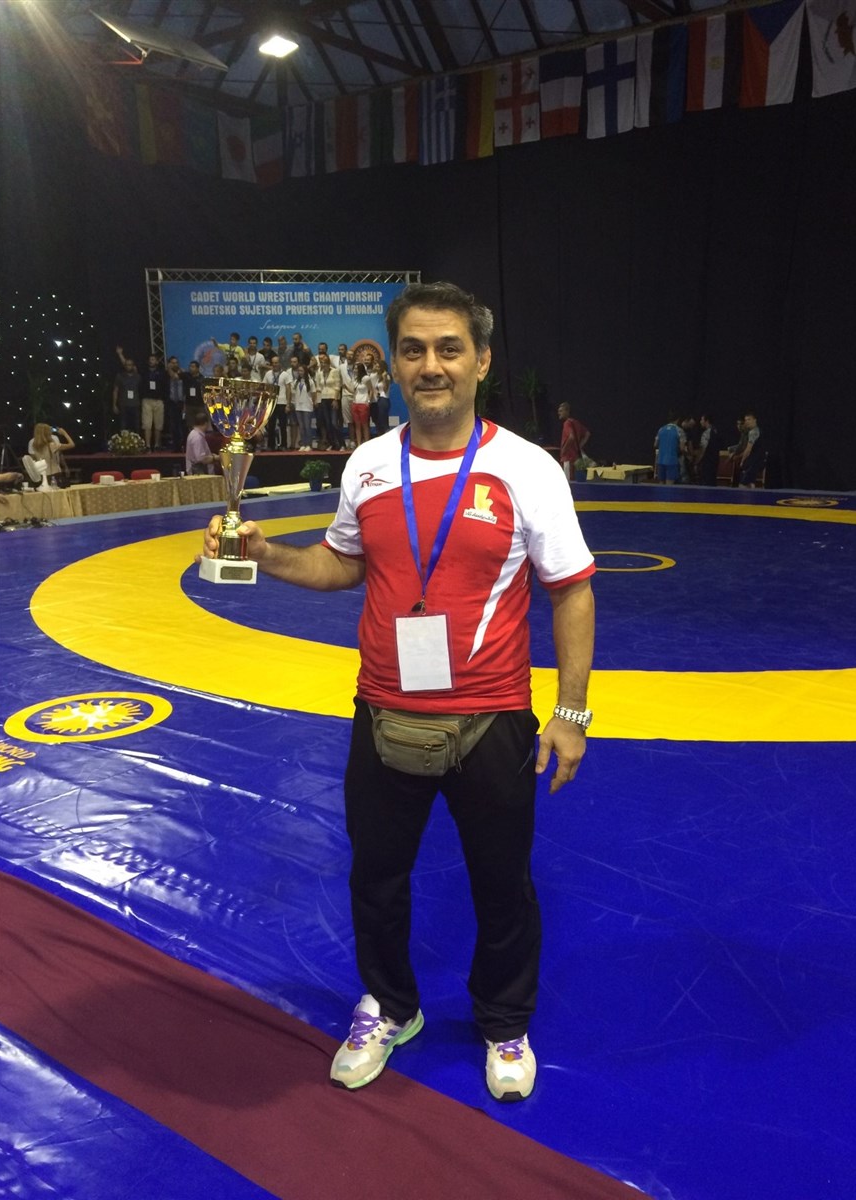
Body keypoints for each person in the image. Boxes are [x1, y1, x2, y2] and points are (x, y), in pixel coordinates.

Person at [200, 281, 595, 1104]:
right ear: (393, 366)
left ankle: (504, 1021)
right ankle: (390, 1006)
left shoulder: (526, 468)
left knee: (503, 885)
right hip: (382, 711)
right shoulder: (369, 464)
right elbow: (342, 564)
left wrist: (570, 713)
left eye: (450, 348)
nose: (431, 365)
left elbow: (572, 590)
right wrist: (267, 554)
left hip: (491, 720)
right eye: (413, 350)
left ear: (481, 361)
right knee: (376, 880)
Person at [26, 423, 74, 487]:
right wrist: (65, 433)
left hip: (42, 475)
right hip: (54, 474)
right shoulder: (52, 445)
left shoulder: (34, 446)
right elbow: (72, 445)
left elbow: (33, 460)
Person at [557, 402, 590, 480]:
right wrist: (580, 445)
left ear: (567, 411)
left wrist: (564, 449)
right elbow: (587, 434)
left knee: (568, 481)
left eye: (561, 411)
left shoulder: (567, 423)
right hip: (576, 457)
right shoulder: (576, 423)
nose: (559, 413)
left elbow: (571, 437)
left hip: (568, 457)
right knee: (575, 480)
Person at [141, 353, 167, 451]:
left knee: (158, 424)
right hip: (147, 400)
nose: (151, 361)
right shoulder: (144, 372)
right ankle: (147, 445)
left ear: (157, 361)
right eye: (150, 359)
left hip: (159, 400)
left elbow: (165, 386)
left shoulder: (162, 373)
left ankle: (157, 445)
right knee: (147, 424)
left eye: (153, 359)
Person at [112, 349, 142, 433]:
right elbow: (115, 391)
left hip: (135, 404)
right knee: (123, 425)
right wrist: (114, 404)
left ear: (133, 366)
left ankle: (136, 440)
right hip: (124, 404)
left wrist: (120, 354)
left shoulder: (138, 377)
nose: (129, 366)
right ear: (125, 366)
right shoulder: (120, 376)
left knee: (136, 426)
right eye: (127, 365)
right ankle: (124, 440)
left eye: (130, 365)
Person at [654, 413, 685, 484]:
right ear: (678, 420)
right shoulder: (679, 430)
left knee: (661, 484)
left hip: (660, 461)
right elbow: (682, 448)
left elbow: (655, 444)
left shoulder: (661, 429)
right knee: (669, 486)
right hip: (672, 461)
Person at [737, 411, 764, 488]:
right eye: (746, 420)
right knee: (750, 484)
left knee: (742, 485)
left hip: (753, 462)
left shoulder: (753, 432)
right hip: (755, 461)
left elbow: (748, 449)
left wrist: (742, 461)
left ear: (755, 420)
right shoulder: (756, 431)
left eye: (749, 419)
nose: (747, 422)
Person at [693, 414, 721, 486]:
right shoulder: (716, 431)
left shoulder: (706, 433)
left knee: (706, 484)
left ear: (707, 421)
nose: (700, 422)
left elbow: (702, 450)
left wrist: (696, 463)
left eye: (702, 420)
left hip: (707, 464)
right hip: (715, 462)